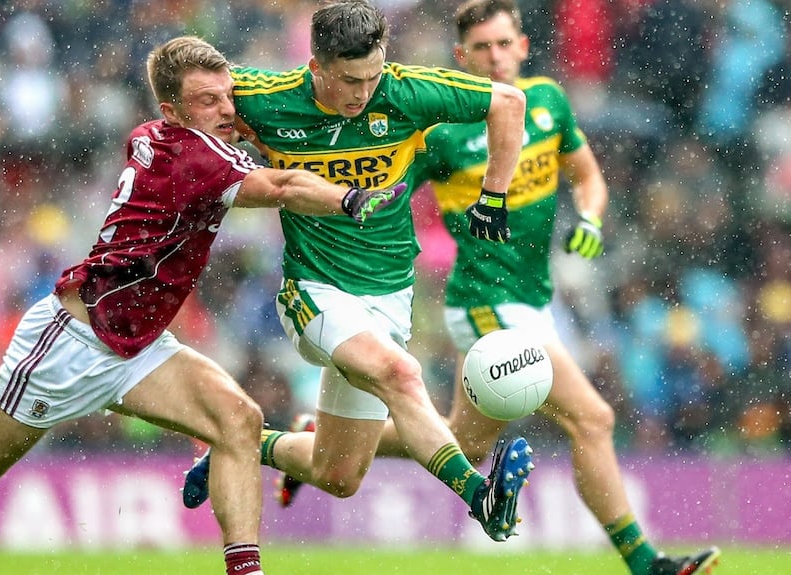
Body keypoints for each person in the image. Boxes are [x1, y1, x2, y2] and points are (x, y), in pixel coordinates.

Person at [0, 35, 407, 575]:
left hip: (139, 345)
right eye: (207, 101)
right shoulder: (192, 157)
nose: (227, 109)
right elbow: (279, 187)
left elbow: (227, 153)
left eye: (228, 96)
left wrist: (247, 128)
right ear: (172, 111)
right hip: (72, 341)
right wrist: (351, 197)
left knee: (239, 421)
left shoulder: (161, 137)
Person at [275, 2, 723, 574]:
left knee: (464, 444)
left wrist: (589, 218)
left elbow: (587, 176)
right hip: (484, 300)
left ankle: (314, 440)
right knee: (593, 418)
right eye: (481, 48)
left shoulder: (548, 102)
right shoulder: (442, 132)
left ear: (524, 45)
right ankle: (647, 564)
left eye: (503, 43)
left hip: (538, 297)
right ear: (461, 58)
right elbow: (381, 192)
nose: (495, 56)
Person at [183, 0, 536, 543]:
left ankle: (246, 446)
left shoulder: (406, 90)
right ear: (317, 65)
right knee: (402, 374)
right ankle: (479, 495)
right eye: (349, 80)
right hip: (314, 288)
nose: (362, 92)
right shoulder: (261, 94)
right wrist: (216, 135)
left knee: (338, 473)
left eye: (373, 76)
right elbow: (189, 96)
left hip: (390, 293)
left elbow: (509, 103)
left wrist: (494, 197)